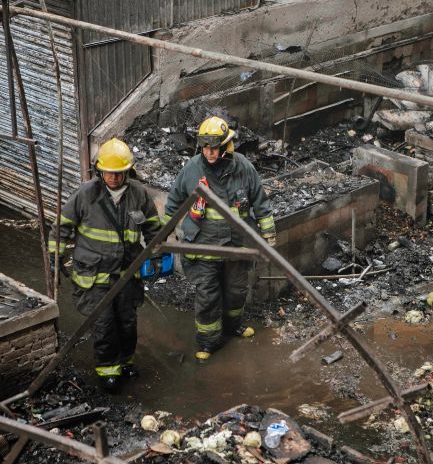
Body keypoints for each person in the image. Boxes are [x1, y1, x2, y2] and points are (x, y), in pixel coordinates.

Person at [47, 138, 161, 391]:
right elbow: (61, 229)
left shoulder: (138, 194)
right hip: (95, 277)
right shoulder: (85, 195)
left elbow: (154, 227)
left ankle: (126, 362)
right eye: (109, 173)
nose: (114, 178)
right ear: (100, 171)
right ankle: (108, 371)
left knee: (128, 323)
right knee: (105, 325)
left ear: (127, 172)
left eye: (119, 173)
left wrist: (154, 254)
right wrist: (54, 258)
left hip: (127, 275)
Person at [164, 116, 276, 361]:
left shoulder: (243, 167)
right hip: (203, 246)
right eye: (205, 147)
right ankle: (207, 341)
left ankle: (232, 325)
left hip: (237, 244)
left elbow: (260, 201)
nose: (210, 153)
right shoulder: (192, 169)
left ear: (227, 146)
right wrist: (165, 234)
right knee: (208, 295)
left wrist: (268, 235)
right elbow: (173, 203)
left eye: (214, 147)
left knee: (236, 291)